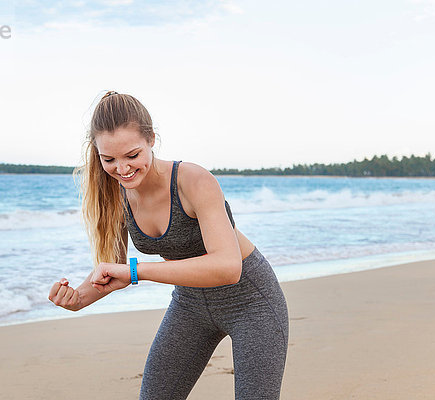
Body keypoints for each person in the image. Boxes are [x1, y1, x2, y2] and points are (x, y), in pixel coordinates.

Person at [48, 91, 289, 400]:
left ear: (151, 140)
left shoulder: (193, 180)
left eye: (132, 155)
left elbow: (228, 267)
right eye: (109, 159)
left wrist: (138, 272)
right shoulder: (114, 194)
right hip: (190, 306)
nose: (122, 169)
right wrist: (78, 297)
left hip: (251, 303)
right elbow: (114, 272)